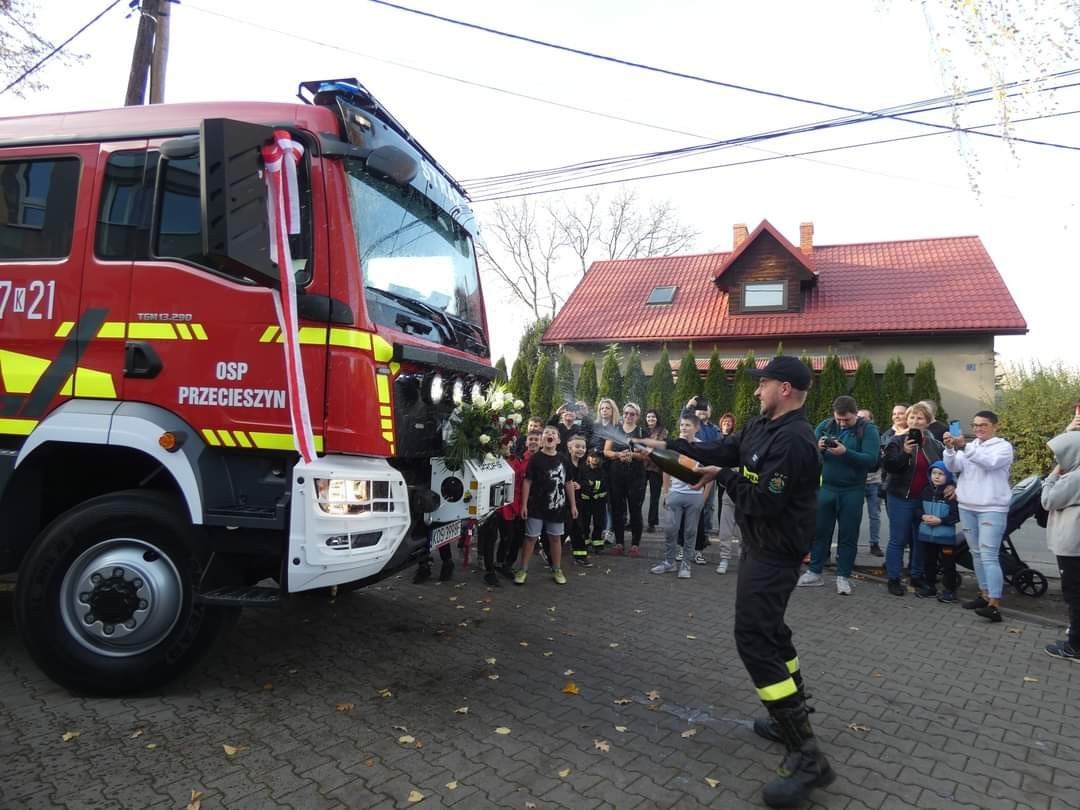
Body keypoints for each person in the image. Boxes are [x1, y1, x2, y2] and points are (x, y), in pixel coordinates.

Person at [635, 356, 833, 808]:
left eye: (763, 383)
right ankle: (792, 713)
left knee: (754, 638)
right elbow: (722, 450)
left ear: (785, 389)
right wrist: (661, 446)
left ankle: (807, 756)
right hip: (759, 546)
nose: (757, 390)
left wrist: (722, 476)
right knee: (773, 631)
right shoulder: (761, 426)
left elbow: (764, 501)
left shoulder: (796, 440)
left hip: (776, 552)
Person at [798, 396, 881, 595]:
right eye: (839, 419)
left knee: (848, 534)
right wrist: (818, 448)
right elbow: (808, 453)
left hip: (853, 490)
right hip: (827, 488)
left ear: (856, 413)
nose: (842, 423)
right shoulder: (826, 425)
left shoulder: (868, 429)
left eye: (847, 420)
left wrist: (846, 452)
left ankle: (843, 576)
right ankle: (814, 571)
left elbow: (871, 460)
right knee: (820, 531)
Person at [944, 410, 1015, 622]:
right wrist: (949, 449)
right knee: (976, 553)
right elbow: (953, 466)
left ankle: (994, 603)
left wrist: (964, 447)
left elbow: (990, 463)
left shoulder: (1003, 447)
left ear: (995, 426)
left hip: (992, 507)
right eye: (975, 425)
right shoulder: (971, 445)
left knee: (989, 555)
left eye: (983, 425)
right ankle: (984, 594)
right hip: (967, 506)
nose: (978, 429)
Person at [882, 402, 943, 596]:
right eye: (912, 417)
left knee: (920, 539)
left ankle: (916, 575)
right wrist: (905, 453)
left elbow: (944, 468)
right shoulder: (896, 440)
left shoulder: (934, 444)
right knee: (898, 539)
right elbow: (889, 466)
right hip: (900, 496)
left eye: (920, 418)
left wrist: (950, 484)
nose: (915, 421)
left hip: (924, 499)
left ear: (927, 422)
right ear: (907, 420)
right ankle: (894, 578)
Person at [650, 411, 711, 578]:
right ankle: (669, 562)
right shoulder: (674, 445)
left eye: (687, 425)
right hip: (675, 494)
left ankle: (686, 565)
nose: (683, 428)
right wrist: (666, 492)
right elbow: (666, 469)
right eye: (682, 425)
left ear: (696, 428)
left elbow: (710, 475)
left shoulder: (703, 448)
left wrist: (704, 497)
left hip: (695, 496)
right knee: (671, 529)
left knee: (690, 531)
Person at [1041, 413, 1080, 661]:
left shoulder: (1074, 477)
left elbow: (1048, 500)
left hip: (1072, 544)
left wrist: (1053, 475)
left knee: (1074, 593)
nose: (1057, 460)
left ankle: (1074, 646)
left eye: (1059, 456)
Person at [517, 425, 576, 585]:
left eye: (553, 433)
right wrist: (524, 505)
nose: (550, 435)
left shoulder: (563, 459)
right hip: (536, 506)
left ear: (558, 440)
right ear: (542, 439)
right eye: (547, 433)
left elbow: (568, 482)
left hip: (557, 507)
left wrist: (573, 505)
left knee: (555, 538)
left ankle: (557, 569)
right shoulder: (535, 459)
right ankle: (523, 569)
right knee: (530, 538)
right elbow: (527, 481)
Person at [604, 402, 648, 557]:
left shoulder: (642, 432)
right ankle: (619, 543)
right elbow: (606, 451)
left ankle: (635, 545)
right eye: (626, 413)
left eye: (632, 414)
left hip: (636, 477)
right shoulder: (615, 430)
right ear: (623, 414)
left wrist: (632, 455)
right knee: (618, 510)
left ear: (637, 416)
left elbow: (646, 455)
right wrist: (618, 454)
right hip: (617, 475)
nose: (629, 416)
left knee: (635, 510)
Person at [914, 461, 961, 602]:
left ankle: (950, 590)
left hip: (945, 537)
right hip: (928, 535)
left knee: (948, 564)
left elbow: (956, 515)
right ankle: (930, 587)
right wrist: (923, 516)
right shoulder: (925, 491)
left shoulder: (951, 494)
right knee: (929, 562)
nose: (936, 476)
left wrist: (941, 520)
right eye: (934, 473)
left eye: (941, 474)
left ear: (948, 476)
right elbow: (917, 509)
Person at [714, 412, 742, 574]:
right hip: (728, 493)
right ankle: (724, 559)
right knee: (725, 529)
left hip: (744, 495)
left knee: (743, 530)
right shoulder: (721, 445)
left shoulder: (747, 452)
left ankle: (743, 560)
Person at [858, 408, 885, 558]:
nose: (860, 420)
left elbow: (878, 460)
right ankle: (849, 544)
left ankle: (874, 543)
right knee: (853, 515)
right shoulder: (853, 434)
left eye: (864, 418)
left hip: (874, 481)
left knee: (874, 515)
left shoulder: (877, 435)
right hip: (858, 481)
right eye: (858, 417)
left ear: (871, 420)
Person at [564, 433, 593, 568]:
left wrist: (580, 485)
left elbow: (588, 482)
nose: (580, 449)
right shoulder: (565, 463)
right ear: (570, 448)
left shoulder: (584, 465)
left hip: (579, 502)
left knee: (579, 528)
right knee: (565, 528)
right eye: (577, 446)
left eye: (583, 447)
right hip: (564, 502)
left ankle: (580, 556)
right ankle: (548, 551)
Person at [578, 448, 609, 556]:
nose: (595, 459)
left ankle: (598, 544)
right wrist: (589, 484)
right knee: (584, 522)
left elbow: (604, 484)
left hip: (599, 501)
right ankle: (585, 542)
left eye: (597, 457)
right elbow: (581, 483)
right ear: (588, 458)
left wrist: (593, 484)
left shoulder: (603, 471)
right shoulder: (582, 470)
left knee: (598, 523)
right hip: (585, 501)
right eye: (593, 456)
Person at [642, 409, 668, 532]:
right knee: (638, 495)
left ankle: (652, 523)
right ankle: (635, 521)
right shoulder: (642, 430)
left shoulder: (663, 431)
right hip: (642, 466)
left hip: (656, 467)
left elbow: (660, 445)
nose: (651, 419)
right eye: (648, 417)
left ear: (657, 419)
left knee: (654, 497)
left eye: (653, 417)